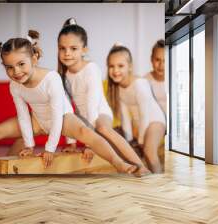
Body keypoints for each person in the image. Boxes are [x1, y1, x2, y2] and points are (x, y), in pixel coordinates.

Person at [0, 30, 137, 174]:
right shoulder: (15, 86)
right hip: (36, 120)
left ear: (34, 58)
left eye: (21, 64)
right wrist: (30, 144)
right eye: (9, 67)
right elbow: (23, 116)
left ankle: (119, 163)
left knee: (85, 131)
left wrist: (49, 148)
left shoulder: (51, 78)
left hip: (63, 118)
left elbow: (56, 116)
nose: (16, 72)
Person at [57, 18, 150, 176]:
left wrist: (90, 143)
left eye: (73, 48)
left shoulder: (91, 69)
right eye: (62, 48)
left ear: (84, 50)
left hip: (99, 113)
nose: (67, 53)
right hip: (81, 121)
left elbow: (92, 108)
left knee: (103, 128)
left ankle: (141, 165)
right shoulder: (62, 75)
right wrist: (72, 143)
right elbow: (66, 111)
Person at [106, 43, 166, 173]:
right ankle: (146, 176)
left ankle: (160, 182)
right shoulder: (119, 88)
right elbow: (125, 116)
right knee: (126, 148)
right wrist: (128, 140)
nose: (115, 70)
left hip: (155, 120)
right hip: (139, 124)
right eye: (112, 66)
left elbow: (145, 114)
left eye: (120, 66)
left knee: (149, 151)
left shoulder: (139, 84)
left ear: (130, 67)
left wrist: (140, 139)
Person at [145, 39, 166, 114]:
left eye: (165, 61)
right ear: (151, 59)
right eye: (157, 60)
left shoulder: (174, 80)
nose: (161, 65)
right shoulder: (145, 82)